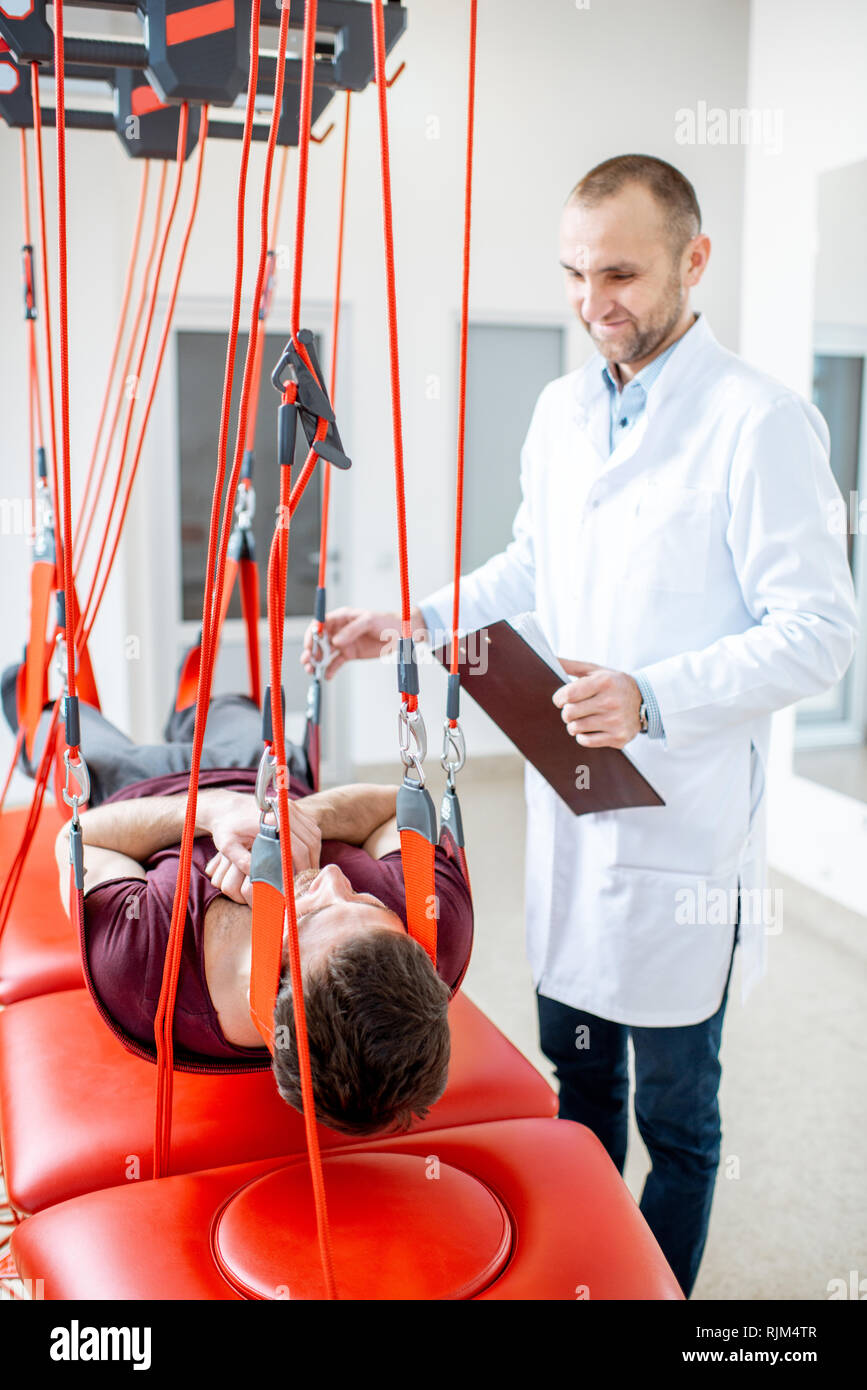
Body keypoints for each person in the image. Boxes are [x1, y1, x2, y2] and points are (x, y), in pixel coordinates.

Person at [300, 154, 859, 1293]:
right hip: (573, 813)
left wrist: (656, 694)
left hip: (680, 833)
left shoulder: (761, 424)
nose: (593, 300)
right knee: (577, 1084)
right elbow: (533, 562)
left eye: (620, 271)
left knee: (679, 1115)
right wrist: (410, 618)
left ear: (695, 262)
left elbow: (820, 631)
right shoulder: (563, 410)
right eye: (572, 272)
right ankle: (586, 1273)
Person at [3, 673, 472, 1137]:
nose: (333, 877)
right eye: (365, 897)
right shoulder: (432, 922)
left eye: (318, 910)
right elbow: (401, 807)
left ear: (273, 980)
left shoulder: (143, 972)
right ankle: (194, 691)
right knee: (227, 700)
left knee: (46, 712)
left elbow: (78, 841)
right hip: (268, 771)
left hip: (140, 793)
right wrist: (293, 819)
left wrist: (213, 812)